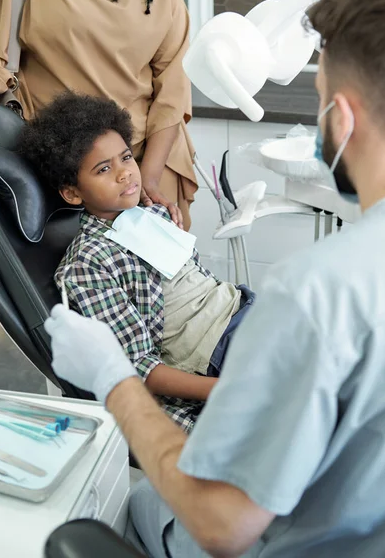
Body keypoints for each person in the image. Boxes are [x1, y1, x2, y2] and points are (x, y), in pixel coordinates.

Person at [44, 0, 385, 558]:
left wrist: (113, 379)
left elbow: (222, 525)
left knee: (140, 507)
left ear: (343, 117)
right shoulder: (94, 258)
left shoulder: (315, 295)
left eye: (314, 101)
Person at [21, 91, 255, 433]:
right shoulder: (87, 266)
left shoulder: (150, 216)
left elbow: (198, 286)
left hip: (243, 311)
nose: (124, 174)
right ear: (72, 193)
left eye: (126, 158)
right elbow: (140, 367)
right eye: (103, 169)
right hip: (217, 353)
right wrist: (228, 390)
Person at [0, 0, 197, 230]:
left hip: (149, 163)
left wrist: (148, 178)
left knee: (167, 269)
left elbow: (174, 83)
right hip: (64, 178)